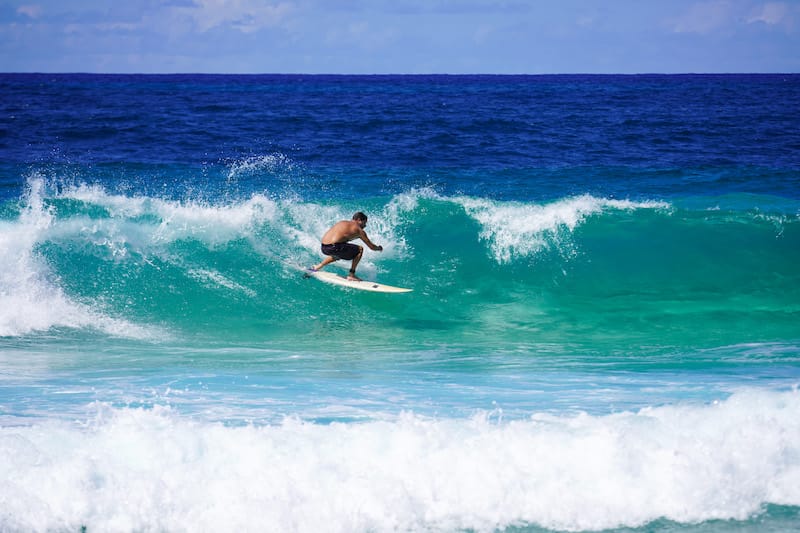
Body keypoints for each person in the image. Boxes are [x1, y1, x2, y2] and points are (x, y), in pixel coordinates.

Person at [311, 212, 383, 281]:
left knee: (339, 253)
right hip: (335, 247)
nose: (365, 226)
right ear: (359, 220)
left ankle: (318, 266)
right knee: (360, 249)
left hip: (324, 247)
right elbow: (372, 247)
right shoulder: (359, 230)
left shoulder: (342, 222)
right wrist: (379, 248)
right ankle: (351, 275)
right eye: (364, 223)